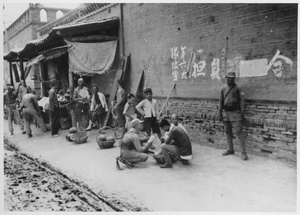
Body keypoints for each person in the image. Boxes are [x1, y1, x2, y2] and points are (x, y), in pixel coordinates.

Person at [219, 71, 248, 161]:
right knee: (228, 132)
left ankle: (243, 152)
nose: (230, 79)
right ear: (226, 78)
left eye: (232, 78)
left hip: (235, 113)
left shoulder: (238, 88)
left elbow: (242, 101)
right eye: (228, 78)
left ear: (234, 79)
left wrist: (242, 113)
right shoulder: (223, 88)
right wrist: (220, 112)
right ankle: (230, 149)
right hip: (226, 113)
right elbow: (220, 101)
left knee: (238, 132)